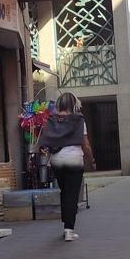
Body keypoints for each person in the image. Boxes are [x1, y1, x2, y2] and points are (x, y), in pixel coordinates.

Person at [37, 92, 96, 241]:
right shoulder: (78, 119)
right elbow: (85, 143)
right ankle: (69, 229)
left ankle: (65, 224)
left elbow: (46, 140)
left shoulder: (51, 119)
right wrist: (91, 159)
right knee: (72, 195)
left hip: (56, 160)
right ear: (73, 104)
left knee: (64, 192)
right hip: (74, 160)